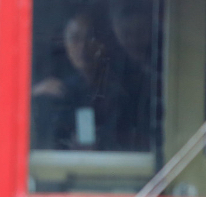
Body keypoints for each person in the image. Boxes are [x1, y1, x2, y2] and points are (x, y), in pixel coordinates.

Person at [32, 8, 149, 152]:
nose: (82, 47)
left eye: (90, 38)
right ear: (65, 42)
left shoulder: (124, 88)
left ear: (103, 43)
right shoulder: (58, 88)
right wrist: (32, 94)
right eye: (74, 38)